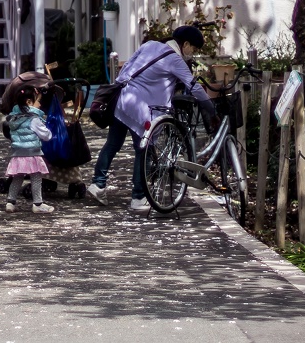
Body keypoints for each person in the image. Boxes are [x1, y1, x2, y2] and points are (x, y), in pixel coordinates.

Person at [87, 25, 216, 215]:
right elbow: (195, 88)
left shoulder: (150, 45)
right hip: (142, 110)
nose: (192, 54)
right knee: (144, 151)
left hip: (122, 100)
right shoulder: (175, 60)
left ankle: (98, 184)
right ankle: (138, 197)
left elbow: (128, 66)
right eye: (193, 49)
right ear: (186, 44)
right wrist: (211, 109)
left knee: (112, 144)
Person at [2, 80, 56, 214]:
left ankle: (10, 202)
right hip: (32, 153)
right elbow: (46, 136)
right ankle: (37, 204)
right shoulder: (34, 119)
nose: (40, 104)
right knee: (36, 178)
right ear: (29, 103)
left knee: (17, 178)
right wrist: (50, 131)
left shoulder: (13, 118)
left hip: (18, 153)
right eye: (38, 101)